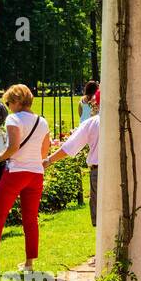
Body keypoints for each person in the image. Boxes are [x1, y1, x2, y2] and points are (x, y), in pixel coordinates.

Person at [0, 84, 51, 273]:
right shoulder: (42, 121)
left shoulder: (14, 119)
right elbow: (45, 150)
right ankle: (29, 264)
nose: (9, 106)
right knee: (30, 219)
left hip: (16, 172)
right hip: (36, 174)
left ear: (17, 101)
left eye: (9, 102)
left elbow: (13, 147)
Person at [46, 89, 100, 227]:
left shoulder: (92, 123)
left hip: (99, 173)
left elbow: (69, 147)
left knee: (101, 220)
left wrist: (48, 160)